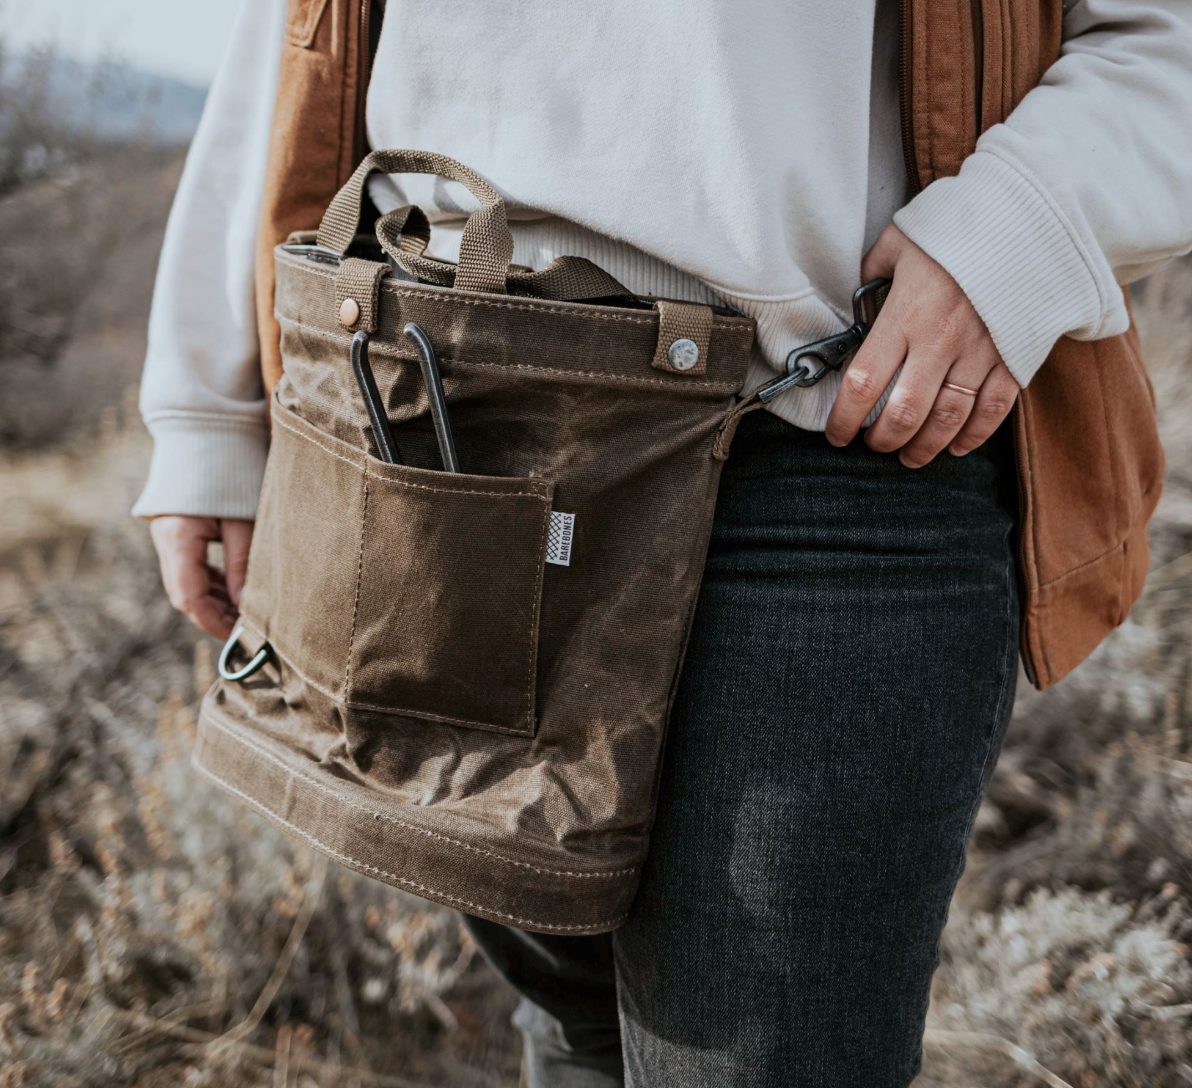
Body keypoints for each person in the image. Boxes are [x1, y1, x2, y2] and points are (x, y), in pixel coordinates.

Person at [135, 1, 1192, 1084]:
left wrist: (1014, 226)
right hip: (444, 427)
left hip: (831, 442)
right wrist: (213, 405)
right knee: (574, 1026)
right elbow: (293, 35)